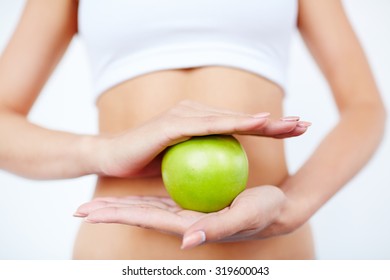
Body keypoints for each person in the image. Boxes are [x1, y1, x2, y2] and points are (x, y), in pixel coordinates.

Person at [0, 0, 385, 259]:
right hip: (121, 251)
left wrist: (294, 205)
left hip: (271, 254)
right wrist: (104, 150)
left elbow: (365, 106)